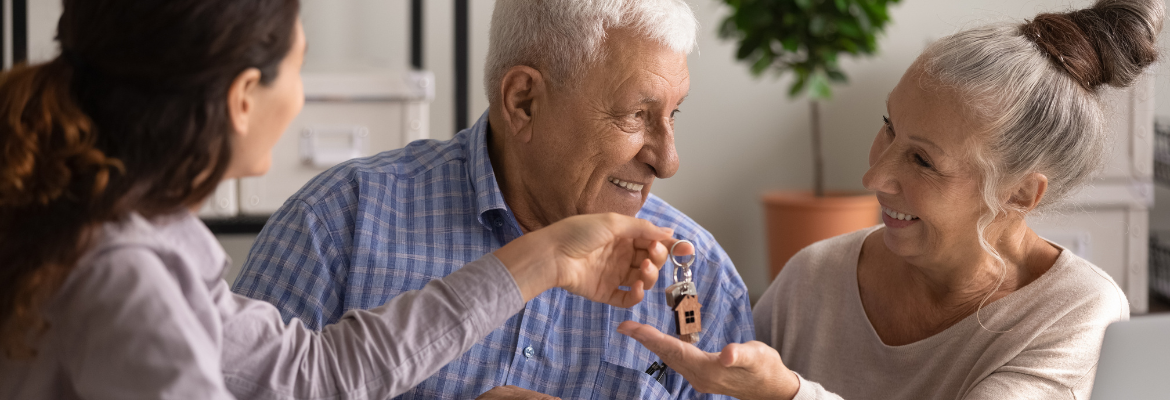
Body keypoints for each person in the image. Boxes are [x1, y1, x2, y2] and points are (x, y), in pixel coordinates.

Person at [0, 0, 681, 398]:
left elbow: (310, 371)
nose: (669, 157)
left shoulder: (151, 237)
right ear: (243, 99)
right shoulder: (126, 278)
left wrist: (547, 256)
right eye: (299, 68)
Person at [618, 0, 1163, 398]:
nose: (875, 175)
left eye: (923, 160)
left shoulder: (1076, 312)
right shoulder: (813, 278)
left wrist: (787, 394)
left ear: (1019, 193)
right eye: (888, 127)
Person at [231, 0, 754, 398]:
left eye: (673, 114)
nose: (668, 160)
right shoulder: (336, 224)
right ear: (523, 101)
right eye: (636, 115)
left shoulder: (698, 277)